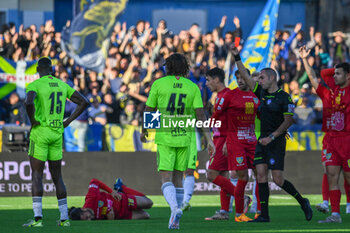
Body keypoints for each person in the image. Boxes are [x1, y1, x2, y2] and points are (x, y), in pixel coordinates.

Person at [231, 47, 313, 222]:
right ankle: (264, 215)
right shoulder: (260, 93)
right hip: (262, 140)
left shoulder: (284, 97)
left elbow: (289, 121)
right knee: (260, 175)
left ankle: (302, 201)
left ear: (271, 78)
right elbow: (245, 75)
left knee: (277, 179)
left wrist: (273, 137)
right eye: (258, 78)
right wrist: (236, 55)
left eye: (261, 77)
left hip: (276, 140)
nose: (258, 80)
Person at [140, 53, 215, 229]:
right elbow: (200, 115)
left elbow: (149, 109)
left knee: (165, 177)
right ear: (185, 68)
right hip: (185, 136)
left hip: (166, 136)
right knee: (178, 178)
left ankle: (174, 208)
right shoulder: (192, 87)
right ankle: (176, 219)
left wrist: (145, 130)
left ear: (168, 67)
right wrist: (208, 138)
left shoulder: (159, 84)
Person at [23, 57, 89, 227]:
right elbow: (84, 102)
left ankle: (38, 219)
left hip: (41, 132)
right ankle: (64, 218)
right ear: (51, 69)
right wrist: (67, 121)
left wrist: (32, 120)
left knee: (37, 175)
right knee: (57, 176)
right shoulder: (61, 84)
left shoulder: (35, 85)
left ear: (38, 69)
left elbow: (28, 102)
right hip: (57, 133)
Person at [300, 46, 350, 223]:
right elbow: (316, 76)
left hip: (348, 140)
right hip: (331, 140)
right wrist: (305, 59)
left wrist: (342, 67)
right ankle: (335, 214)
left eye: (338, 74)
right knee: (331, 175)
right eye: (334, 73)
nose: (333, 76)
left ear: (348, 76)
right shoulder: (329, 94)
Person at [205, 67, 260, 222]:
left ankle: (242, 198)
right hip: (221, 138)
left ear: (216, 79)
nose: (207, 84)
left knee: (212, 174)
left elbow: (221, 120)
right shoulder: (223, 95)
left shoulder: (227, 95)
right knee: (223, 176)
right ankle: (224, 211)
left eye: (209, 80)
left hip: (224, 138)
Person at [69, 178, 153, 220]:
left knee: (149, 203)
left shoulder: (91, 198)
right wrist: (110, 219)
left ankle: (121, 188)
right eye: (87, 220)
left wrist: (112, 192)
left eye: (87, 217)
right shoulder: (93, 219)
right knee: (146, 215)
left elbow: (94, 181)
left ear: (83, 209)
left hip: (122, 201)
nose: (89, 219)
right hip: (121, 215)